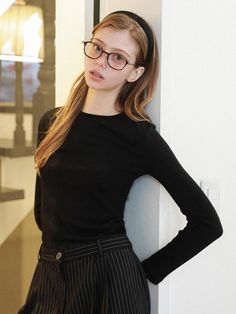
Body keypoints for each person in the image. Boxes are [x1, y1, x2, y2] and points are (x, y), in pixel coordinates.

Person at [18, 10, 223, 314]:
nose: (100, 61)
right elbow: (43, 213)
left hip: (109, 280)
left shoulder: (138, 136)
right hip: (49, 271)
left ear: (135, 73)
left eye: (117, 57)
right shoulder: (52, 122)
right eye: (98, 47)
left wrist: (143, 274)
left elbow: (207, 224)